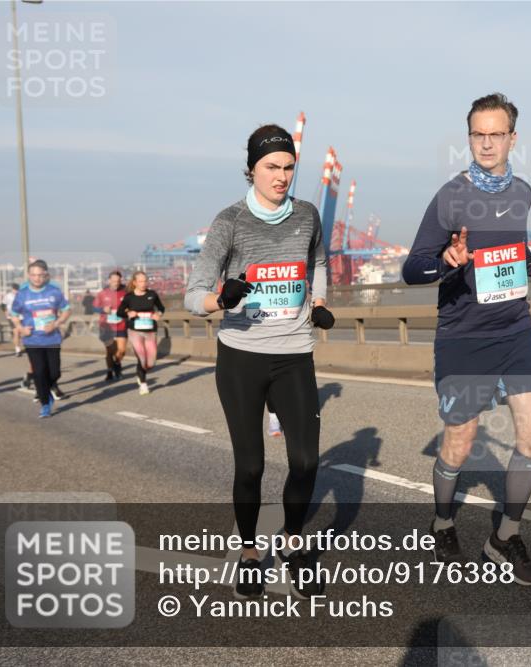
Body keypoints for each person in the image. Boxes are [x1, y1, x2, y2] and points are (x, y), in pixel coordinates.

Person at [402, 93, 531, 586]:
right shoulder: (450, 196)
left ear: (512, 139)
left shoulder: (521, 191)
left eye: (495, 134)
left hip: (516, 331)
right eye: (477, 134)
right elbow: (413, 266)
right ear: (469, 138)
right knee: (460, 442)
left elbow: (514, 249)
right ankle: (442, 522)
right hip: (464, 338)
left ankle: (504, 536)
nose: (486, 143)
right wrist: (447, 261)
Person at [185, 123, 335, 601]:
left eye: (289, 167)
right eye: (272, 166)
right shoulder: (229, 222)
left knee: (307, 461)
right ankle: (249, 552)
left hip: (294, 355)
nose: (282, 176)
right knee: (250, 467)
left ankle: (291, 544)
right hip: (242, 358)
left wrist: (319, 303)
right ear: (251, 169)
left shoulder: (308, 215)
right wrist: (221, 300)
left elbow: (319, 264)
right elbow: (192, 296)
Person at [9, 260, 71, 418]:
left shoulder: (54, 292)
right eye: (34, 275)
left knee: (55, 372)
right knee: (39, 371)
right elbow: (14, 315)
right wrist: (22, 329)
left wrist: (56, 323)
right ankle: (45, 403)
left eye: (40, 275)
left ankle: (48, 388)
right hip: (32, 340)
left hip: (52, 338)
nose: (37, 278)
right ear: (29, 276)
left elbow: (66, 310)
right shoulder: (22, 295)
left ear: (46, 275)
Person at [116, 271, 164, 395]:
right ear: (135, 282)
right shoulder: (129, 297)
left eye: (145, 281)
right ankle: (143, 383)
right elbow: (119, 312)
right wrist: (128, 313)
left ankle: (141, 375)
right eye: (141, 281)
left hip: (150, 330)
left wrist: (158, 314)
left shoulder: (152, 294)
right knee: (142, 358)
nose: (143, 283)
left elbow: (161, 308)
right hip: (134, 330)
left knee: (151, 362)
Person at [93, 271, 128, 381]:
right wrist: (102, 309)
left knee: (121, 350)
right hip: (106, 326)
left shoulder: (126, 292)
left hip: (121, 324)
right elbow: (94, 308)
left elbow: (132, 304)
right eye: (113, 281)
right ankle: (109, 371)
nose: (115, 283)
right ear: (109, 281)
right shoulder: (102, 293)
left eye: (118, 281)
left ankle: (117, 364)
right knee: (110, 351)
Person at [1, 283, 23, 356]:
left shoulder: (21, 295)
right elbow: (3, 305)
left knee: (20, 333)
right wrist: (6, 312)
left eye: (17, 289)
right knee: (16, 332)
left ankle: (23, 347)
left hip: (21, 316)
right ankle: (18, 350)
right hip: (12, 317)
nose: (16, 291)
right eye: (14, 289)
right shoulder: (8, 296)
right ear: (12, 289)